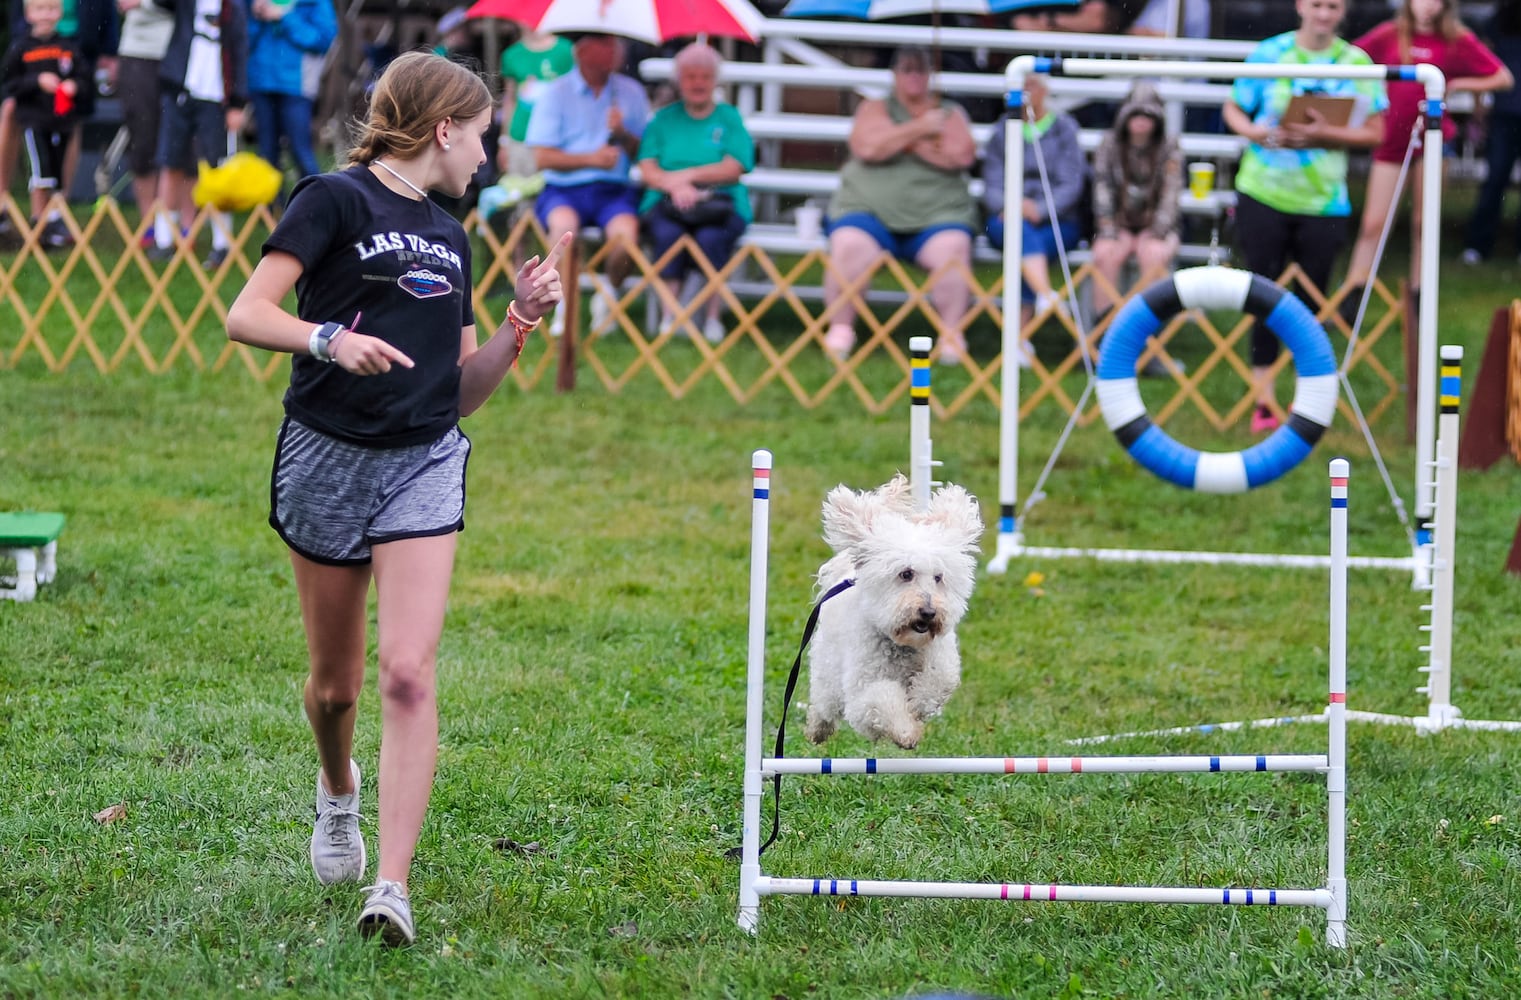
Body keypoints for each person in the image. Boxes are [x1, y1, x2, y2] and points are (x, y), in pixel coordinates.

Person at [225, 50, 570, 948]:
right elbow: (247, 313)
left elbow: (457, 390)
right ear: (443, 128)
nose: (487, 159)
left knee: (408, 671)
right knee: (335, 689)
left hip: (424, 460)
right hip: (328, 456)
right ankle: (338, 794)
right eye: (483, 137)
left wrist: (518, 324)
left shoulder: (453, 237)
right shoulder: (332, 198)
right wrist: (329, 339)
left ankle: (392, 885)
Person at [1222, 0, 1387, 433]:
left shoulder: (1356, 62)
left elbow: (1376, 132)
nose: (1324, 14)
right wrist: (1256, 132)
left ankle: (1306, 401)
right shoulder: (1270, 53)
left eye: (1333, 6)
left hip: (1324, 201)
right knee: (1263, 296)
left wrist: (1324, 133)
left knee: (1311, 303)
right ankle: (1263, 402)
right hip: (1263, 191)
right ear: (1301, 7)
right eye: (1317, 4)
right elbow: (1233, 108)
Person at [1344, 0, 1509, 311]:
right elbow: (1349, 61)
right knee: (1373, 222)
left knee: (1424, 222)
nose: (1428, 6)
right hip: (1392, 138)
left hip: (1433, 140)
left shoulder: (1457, 39)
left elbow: (1502, 77)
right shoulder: (1390, 34)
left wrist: (1458, 84)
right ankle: (1353, 295)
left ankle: (1420, 299)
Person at [823, 46, 977, 364]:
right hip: (870, 213)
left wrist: (897, 142)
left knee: (954, 247)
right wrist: (919, 131)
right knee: (849, 243)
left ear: (931, 75)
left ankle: (951, 337)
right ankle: (840, 332)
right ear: (894, 75)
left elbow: (960, 156)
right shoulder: (875, 108)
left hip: (937, 216)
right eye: (907, 69)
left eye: (921, 69)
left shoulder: (950, 112)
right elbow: (867, 148)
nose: (915, 76)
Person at [524, 32, 648, 337]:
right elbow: (542, 158)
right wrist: (592, 159)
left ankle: (607, 298)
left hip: (614, 191)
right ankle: (563, 309)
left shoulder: (630, 91)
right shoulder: (556, 92)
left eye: (615, 47)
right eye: (607, 47)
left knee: (626, 241)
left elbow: (644, 153)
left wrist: (623, 134)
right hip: (564, 189)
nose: (617, 51)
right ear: (583, 54)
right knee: (563, 231)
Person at [637, 42, 753, 344]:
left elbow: (736, 166)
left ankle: (711, 317)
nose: (698, 83)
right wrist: (675, 186)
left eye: (705, 76)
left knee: (711, 238)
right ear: (679, 80)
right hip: (666, 201)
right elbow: (648, 169)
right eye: (690, 76)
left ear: (715, 81)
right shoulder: (663, 119)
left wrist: (688, 177)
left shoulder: (729, 117)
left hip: (720, 202)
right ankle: (670, 316)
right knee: (668, 234)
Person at [981, 71, 1085, 359]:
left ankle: (1018, 338)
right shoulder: (1003, 130)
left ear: (1044, 91)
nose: (1026, 93)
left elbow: (1072, 184)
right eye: (1021, 87)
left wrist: (1038, 209)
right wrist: (1013, 206)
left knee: (1024, 243)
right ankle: (1045, 296)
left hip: (1056, 221)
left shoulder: (1064, 128)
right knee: (1019, 234)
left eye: (1032, 86)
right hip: (1006, 217)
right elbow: (991, 183)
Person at [151, 0, 248, 268]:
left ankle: (222, 243)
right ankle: (163, 239)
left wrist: (238, 102)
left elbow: (240, 51)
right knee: (170, 162)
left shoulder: (233, 8)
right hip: (180, 91)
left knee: (217, 168)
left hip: (216, 98)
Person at [1089, 80, 1183, 350]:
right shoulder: (1109, 145)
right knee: (1105, 255)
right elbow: (1102, 188)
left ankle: (1150, 342)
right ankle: (1105, 336)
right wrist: (1108, 230)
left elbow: (1171, 194)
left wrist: (1156, 233)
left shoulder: (1169, 146)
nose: (1141, 121)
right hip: (1117, 225)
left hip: (1159, 226)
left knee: (1153, 256)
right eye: (1136, 115)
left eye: (1148, 116)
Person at [1, 0, 85, 248]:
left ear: (61, 13)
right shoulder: (20, 48)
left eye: (51, 9)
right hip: (33, 121)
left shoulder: (69, 48)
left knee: (57, 174)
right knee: (41, 174)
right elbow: (9, 84)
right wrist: (36, 81)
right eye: (40, 9)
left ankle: (54, 221)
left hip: (61, 123)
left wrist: (76, 86)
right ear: (27, 14)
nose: (46, 15)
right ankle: (38, 225)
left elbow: (84, 79)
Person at [246, 0, 338, 183]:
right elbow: (243, 39)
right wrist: (255, 16)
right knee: (266, 154)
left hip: (297, 85)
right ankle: (272, 209)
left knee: (300, 150)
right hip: (262, 82)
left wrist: (284, 17)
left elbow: (323, 40)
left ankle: (317, 204)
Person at [1463, 1, 1521, 263]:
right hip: (1503, 114)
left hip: (1506, 112)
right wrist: (1478, 105)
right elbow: (1483, 61)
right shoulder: (1500, 20)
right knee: (1494, 180)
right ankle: (1478, 245)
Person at [113, 0, 173, 232]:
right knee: (142, 137)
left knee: (179, 141)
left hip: (179, 52)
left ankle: (175, 223)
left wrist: (144, 3)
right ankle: (150, 224)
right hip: (136, 53)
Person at [497, 23, 572, 181]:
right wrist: (504, 141)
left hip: (558, 138)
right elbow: (510, 100)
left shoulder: (566, 50)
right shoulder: (511, 55)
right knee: (519, 195)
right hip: (521, 136)